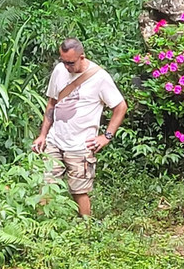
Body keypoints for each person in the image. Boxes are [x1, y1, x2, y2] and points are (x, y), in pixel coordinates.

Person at [32, 38, 127, 218]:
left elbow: (120, 107)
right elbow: (52, 103)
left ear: (81, 57)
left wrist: (106, 136)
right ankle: (42, 231)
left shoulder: (100, 78)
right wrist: (42, 134)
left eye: (70, 63)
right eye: (63, 61)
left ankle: (85, 230)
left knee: (79, 191)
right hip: (55, 141)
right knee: (45, 186)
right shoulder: (59, 70)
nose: (67, 66)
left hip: (80, 145)